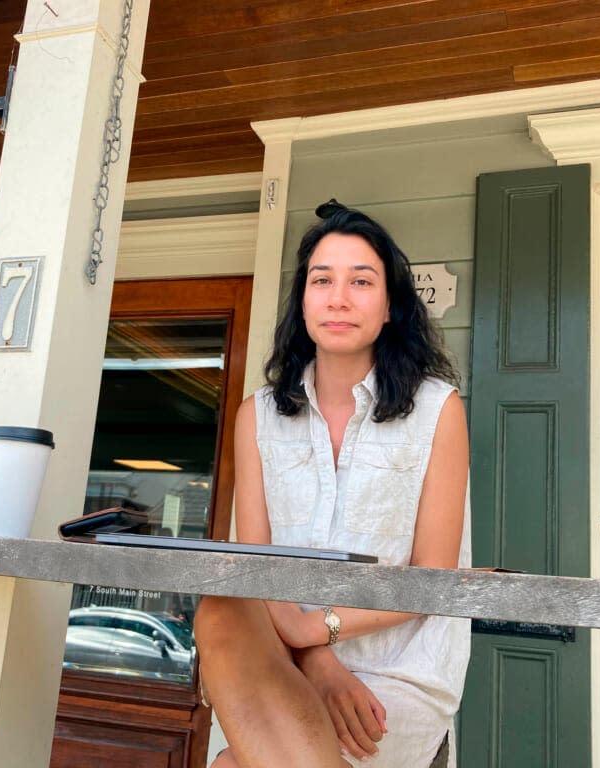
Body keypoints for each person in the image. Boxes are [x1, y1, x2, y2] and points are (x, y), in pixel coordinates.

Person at [194, 201, 471, 768]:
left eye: (361, 281)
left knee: (230, 765)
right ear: (303, 301)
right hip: (283, 655)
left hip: (399, 670)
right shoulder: (258, 415)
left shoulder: (437, 410)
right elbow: (258, 564)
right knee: (220, 610)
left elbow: (431, 579)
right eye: (322, 280)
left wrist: (317, 630)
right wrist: (313, 656)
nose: (338, 298)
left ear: (391, 305)